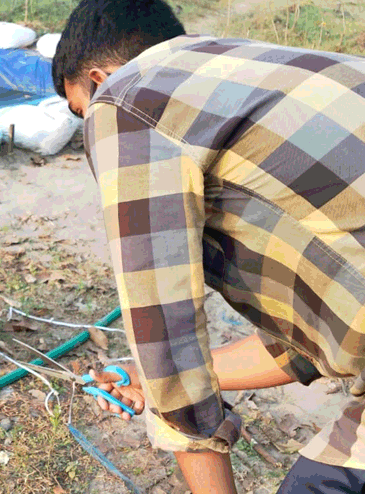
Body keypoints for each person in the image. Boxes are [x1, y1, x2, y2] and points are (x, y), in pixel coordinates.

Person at [53, 0, 365, 492]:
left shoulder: (123, 100)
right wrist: (140, 373)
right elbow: (319, 341)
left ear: (98, 79)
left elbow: (168, 341)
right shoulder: (263, 73)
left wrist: (163, 379)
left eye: (80, 112)